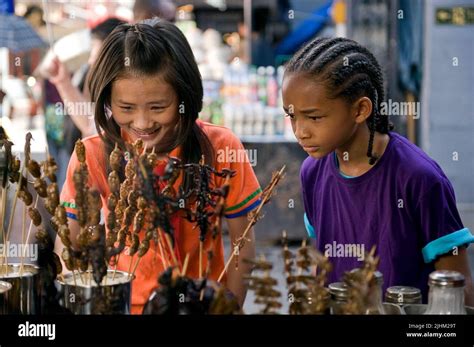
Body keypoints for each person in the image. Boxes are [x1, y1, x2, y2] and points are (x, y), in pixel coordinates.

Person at [55, 19, 261, 314]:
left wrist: (229, 306)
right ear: (107, 101)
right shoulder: (93, 154)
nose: (142, 123)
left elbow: (244, 247)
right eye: (126, 108)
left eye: (158, 107)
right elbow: (68, 247)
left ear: (184, 96)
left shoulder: (221, 147)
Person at [282, 37, 474, 305]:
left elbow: (459, 292)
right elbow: (322, 265)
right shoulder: (312, 173)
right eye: (291, 115)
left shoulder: (419, 177)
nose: (300, 131)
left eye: (314, 117)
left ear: (360, 109)